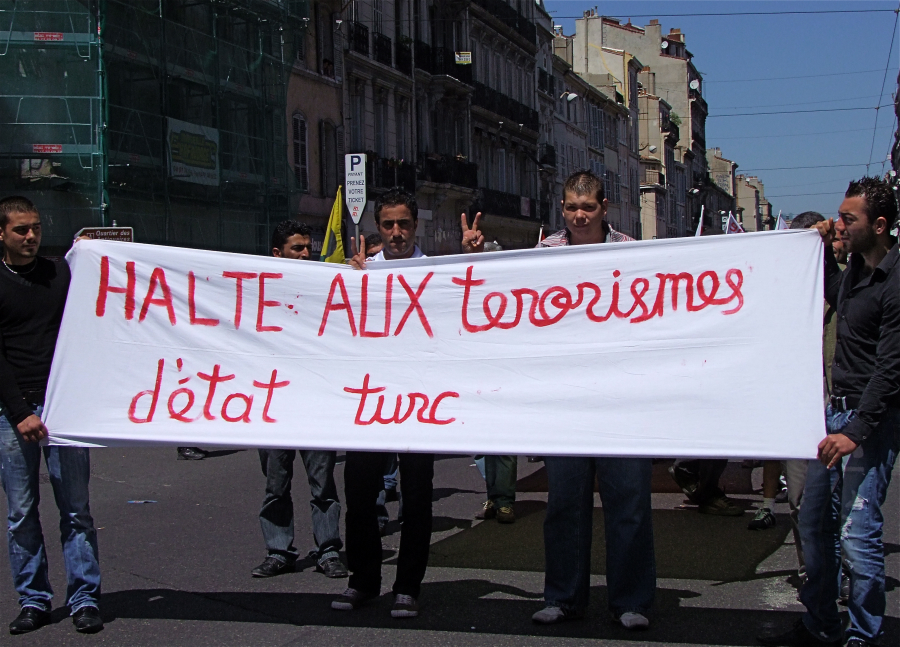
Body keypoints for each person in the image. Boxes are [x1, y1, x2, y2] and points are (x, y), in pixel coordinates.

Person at [463, 172, 656, 630]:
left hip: (621, 402)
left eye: (587, 207)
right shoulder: (543, 254)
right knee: (565, 505)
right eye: (571, 207)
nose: (579, 215)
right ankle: (563, 597)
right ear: (562, 208)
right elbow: (507, 294)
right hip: (565, 406)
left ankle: (630, 601)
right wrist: (475, 257)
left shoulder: (632, 251)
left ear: (604, 208)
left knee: (628, 504)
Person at [759, 177, 900, 647]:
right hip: (833, 417)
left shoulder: (895, 282)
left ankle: (863, 636)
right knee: (816, 528)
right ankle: (821, 623)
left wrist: (855, 433)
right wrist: (812, 246)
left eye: (848, 219)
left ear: (878, 225)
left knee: (857, 537)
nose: (839, 224)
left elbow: (890, 368)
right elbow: (833, 288)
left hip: (866, 424)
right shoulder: (856, 272)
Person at [0, 196, 103, 634]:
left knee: (76, 509)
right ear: (1, 233)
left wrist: (95, 254)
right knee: (22, 512)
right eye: (21, 230)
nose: (30, 237)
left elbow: (97, 307)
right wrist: (20, 411)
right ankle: (34, 599)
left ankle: (84, 597)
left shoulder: (59, 273)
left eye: (36, 228)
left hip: (64, 406)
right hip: (13, 411)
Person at [333, 188, 432, 619]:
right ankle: (363, 582)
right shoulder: (359, 274)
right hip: (368, 406)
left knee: (416, 498)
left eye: (404, 224)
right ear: (378, 226)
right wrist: (348, 281)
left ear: (416, 225)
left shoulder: (437, 273)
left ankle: (408, 586)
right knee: (360, 496)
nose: (396, 232)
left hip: (419, 406)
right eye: (388, 224)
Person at [252, 220, 347, 580]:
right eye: (297, 248)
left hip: (315, 403)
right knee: (275, 484)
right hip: (273, 405)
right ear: (277, 254)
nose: (307, 253)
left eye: (308, 247)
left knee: (323, 484)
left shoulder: (323, 288)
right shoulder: (257, 291)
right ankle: (278, 550)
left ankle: (328, 550)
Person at [750, 212, 829, 533]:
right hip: (793, 400)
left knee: (835, 500)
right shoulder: (776, 287)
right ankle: (813, 571)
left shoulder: (840, 282)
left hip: (834, 404)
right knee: (802, 502)